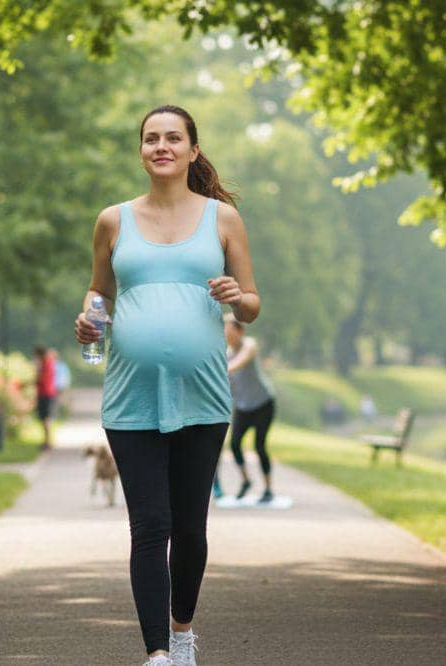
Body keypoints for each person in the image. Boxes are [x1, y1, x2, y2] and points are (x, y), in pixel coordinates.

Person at [74, 104, 259, 666]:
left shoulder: (221, 219)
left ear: (192, 150)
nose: (162, 147)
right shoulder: (113, 220)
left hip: (203, 395)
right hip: (129, 395)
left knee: (189, 525)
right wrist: (89, 332)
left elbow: (251, 306)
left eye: (173, 138)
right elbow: (99, 296)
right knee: (149, 525)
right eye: (151, 139)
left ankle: (182, 635)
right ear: (141, 151)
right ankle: (157, 653)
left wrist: (235, 297)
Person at [222, 312, 276, 503]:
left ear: (240, 331)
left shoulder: (249, 345)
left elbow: (242, 360)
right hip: (243, 407)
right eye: (225, 332)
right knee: (235, 444)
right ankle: (246, 481)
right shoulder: (226, 354)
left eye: (229, 331)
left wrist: (224, 368)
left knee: (259, 446)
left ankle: (268, 489)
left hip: (263, 404)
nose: (226, 335)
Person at [33, 346, 57, 451]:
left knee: (46, 419)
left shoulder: (46, 363)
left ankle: (47, 442)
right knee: (45, 419)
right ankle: (46, 441)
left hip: (45, 394)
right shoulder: (47, 362)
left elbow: (41, 378)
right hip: (45, 393)